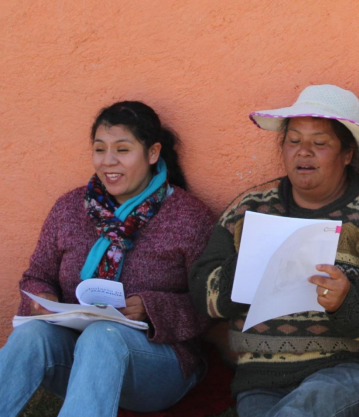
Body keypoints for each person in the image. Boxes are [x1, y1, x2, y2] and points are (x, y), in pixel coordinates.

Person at [189, 84, 359, 417]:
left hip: (351, 372)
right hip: (262, 378)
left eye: (319, 143)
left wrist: (348, 301)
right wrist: (243, 271)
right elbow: (203, 295)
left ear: (347, 154)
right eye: (294, 141)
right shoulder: (249, 209)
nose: (303, 152)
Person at [0, 101, 212, 416]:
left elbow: (210, 304)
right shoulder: (69, 208)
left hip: (158, 367)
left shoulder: (189, 217)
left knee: (103, 335)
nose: (108, 161)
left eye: (122, 150)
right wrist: (42, 298)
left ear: (153, 153)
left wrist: (151, 309)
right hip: (77, 357)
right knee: (32, 334)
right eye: (100, 149)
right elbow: (37, 276)